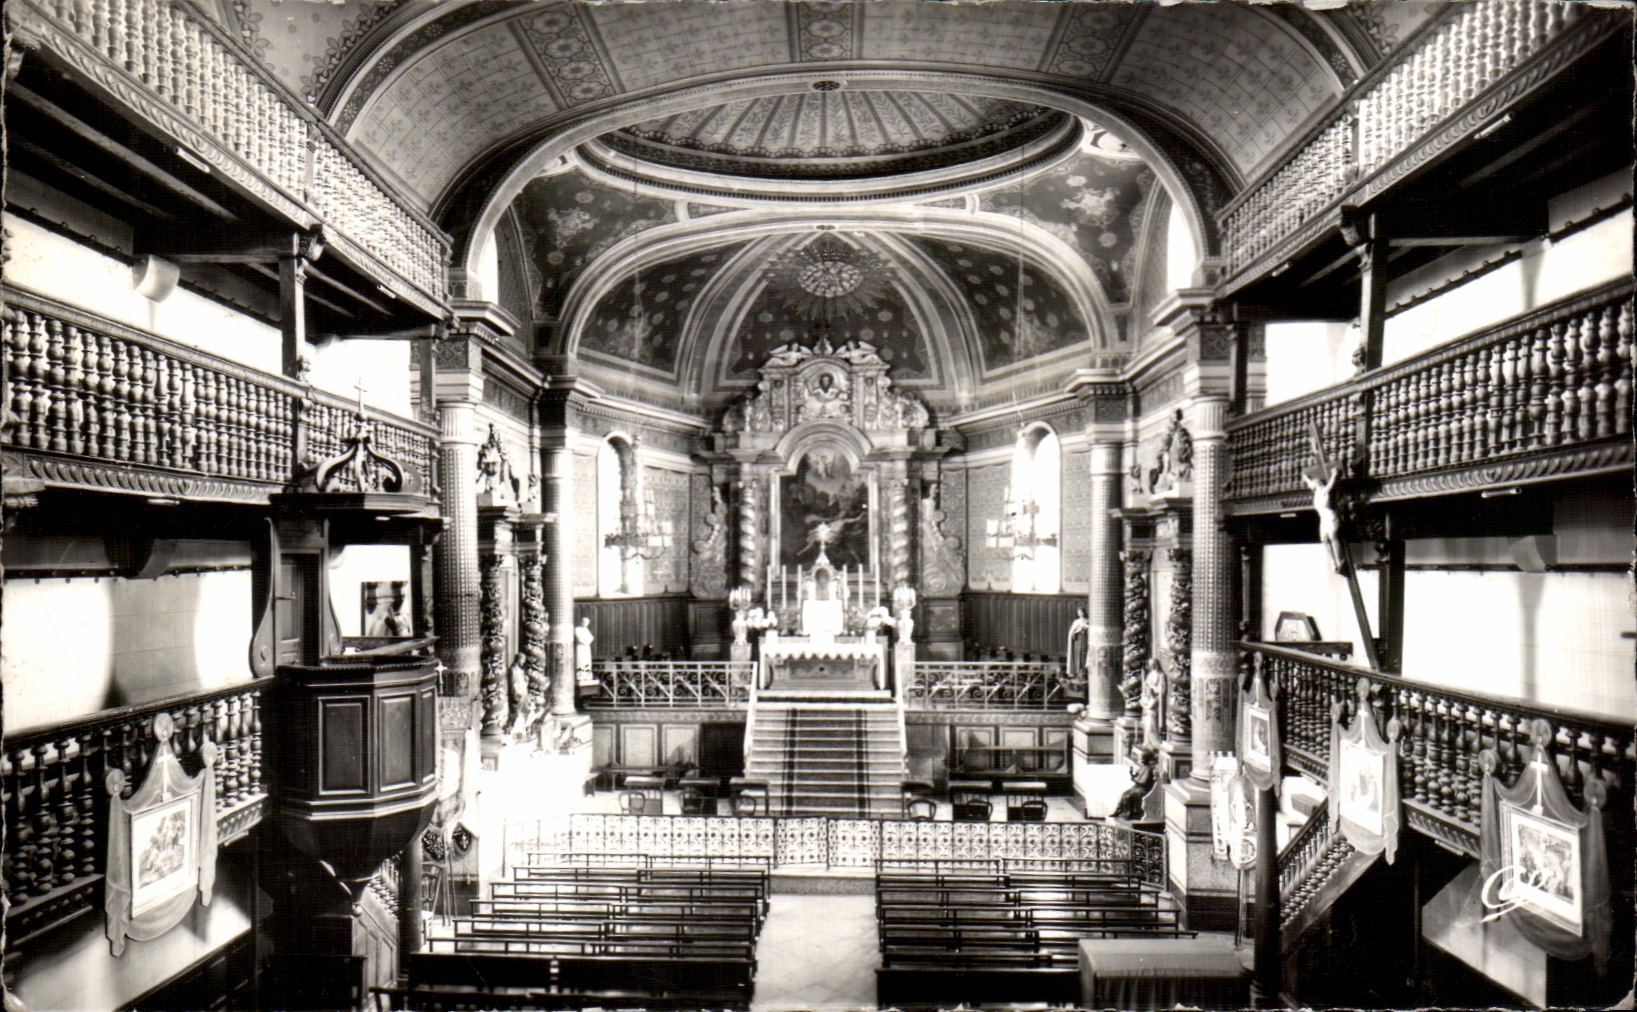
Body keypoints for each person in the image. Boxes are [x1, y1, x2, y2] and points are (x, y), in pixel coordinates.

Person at [574, 617, 595, 684]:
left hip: (586, 647)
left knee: (586, 661)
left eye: (587, 623)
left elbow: (591, 638)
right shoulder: (577, 629)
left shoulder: (586, 630)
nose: (585, 624)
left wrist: (587, 641)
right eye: (584, 622)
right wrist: (586, 641)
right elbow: (580, 639)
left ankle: (587, 675)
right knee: (581, 661)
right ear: (582, 622)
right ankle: (580, 676)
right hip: (581, 647)